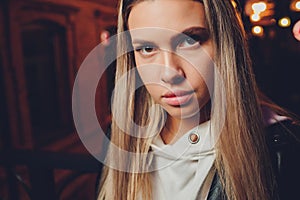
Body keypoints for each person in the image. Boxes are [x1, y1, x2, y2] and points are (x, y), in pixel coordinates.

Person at [96, 0, 300, 199]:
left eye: (190, 40)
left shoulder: (281, 148)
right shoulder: (119, 137)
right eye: (147, 48)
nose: (169, 73)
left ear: (225, 43)